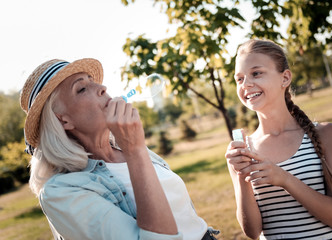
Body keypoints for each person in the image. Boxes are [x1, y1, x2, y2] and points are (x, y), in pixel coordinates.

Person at [20, 58, 219, 240]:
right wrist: (135, 151)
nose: (102, 87)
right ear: (62, 119)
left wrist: (135, 149)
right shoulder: (61, 191)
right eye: (81, 89)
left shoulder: (130, 149)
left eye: (92, 80)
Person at [225, 39, 332, 239]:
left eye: (256, 73)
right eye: (239, 79)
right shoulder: (243, 152)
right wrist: (241, 177)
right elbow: (253, 232)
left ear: (285, 78)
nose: (246, 84)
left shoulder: (326, 134)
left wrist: (285, 179)